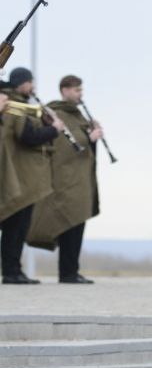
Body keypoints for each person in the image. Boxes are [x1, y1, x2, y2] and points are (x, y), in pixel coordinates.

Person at [26, 75, 104, 283]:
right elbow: (63, 147)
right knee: (68, 225)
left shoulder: (77, 115)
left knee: (78, 224)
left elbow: (84, 148)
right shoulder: (56, 114)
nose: (80, 94)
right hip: (65, 180)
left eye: (81, 90)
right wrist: (89, 138)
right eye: (77, 90)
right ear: (65, 90)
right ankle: (67, 273)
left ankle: (71, 271)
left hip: (81, 180)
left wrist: (92, 134)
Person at [0, 83, 59, 284]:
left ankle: (14, 270)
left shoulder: (15, 105)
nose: (32, 85)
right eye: (29, 82)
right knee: (14, 227)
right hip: (19, 175)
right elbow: (27, 136)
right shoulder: (14, 106)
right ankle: (10, 271)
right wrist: (53, 129)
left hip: (21, 175)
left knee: (18, 227)